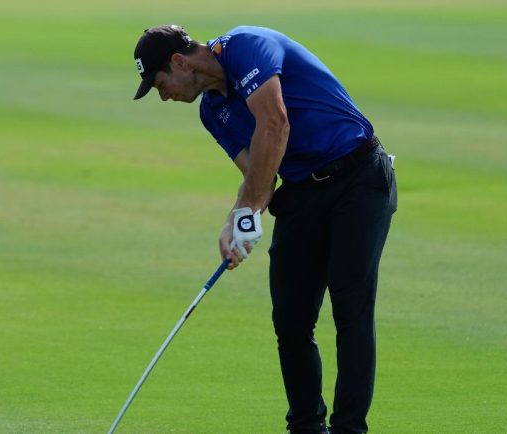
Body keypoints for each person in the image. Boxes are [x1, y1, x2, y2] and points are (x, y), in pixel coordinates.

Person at [131, 24, 397, 434]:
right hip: (301, 194)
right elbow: (259, 173)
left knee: (351, 312)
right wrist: (235, 220)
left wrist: (249, 212)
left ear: (180, 62)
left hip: (358, 177)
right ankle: (306, 427)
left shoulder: (246, 47)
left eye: (160, 85)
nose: (164, 96)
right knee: (290, 320)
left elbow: (275, 124)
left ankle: (349, 430)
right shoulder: (211, 112)